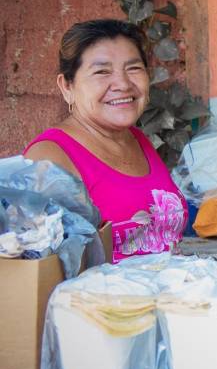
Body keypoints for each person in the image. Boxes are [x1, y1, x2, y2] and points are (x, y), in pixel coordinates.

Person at [24, 19, 187, 263]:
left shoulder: (137, 140)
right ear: (67, 86)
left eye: (133, 68)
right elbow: (41, 268)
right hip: (97, 300)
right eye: (102, 72)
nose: (123, 84)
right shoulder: (50, 158)